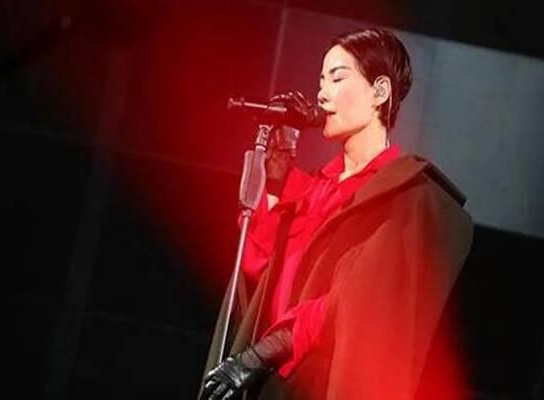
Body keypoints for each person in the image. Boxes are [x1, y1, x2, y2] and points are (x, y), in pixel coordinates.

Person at [200, 27, 474, 400]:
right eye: (320, 81)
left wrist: (273, 346)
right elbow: (259, 270)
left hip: (324, 380)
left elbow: (357, 299)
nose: (322, 93)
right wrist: (275, 180)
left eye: (337, 78)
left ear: (380, 92)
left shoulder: (404, 197)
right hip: (271, 383)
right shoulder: (315, 189)